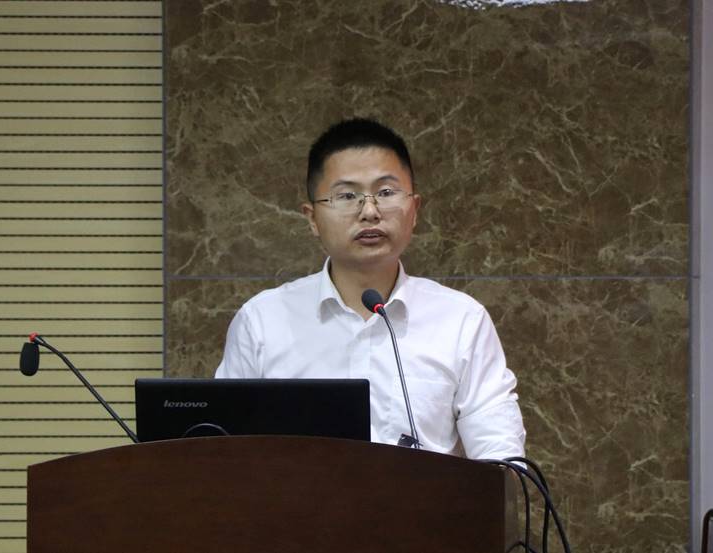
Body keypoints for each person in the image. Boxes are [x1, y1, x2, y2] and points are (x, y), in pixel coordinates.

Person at [215, 118, 525, 460]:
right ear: (312, 218)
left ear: (414, 210)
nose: (370, 211)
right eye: (347, 196)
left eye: (386, 193)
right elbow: (224, 455)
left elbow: (501, 459)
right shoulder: (262, 321)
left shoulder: (461, 320)